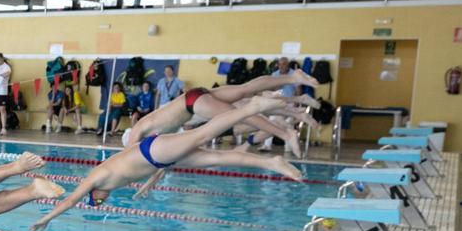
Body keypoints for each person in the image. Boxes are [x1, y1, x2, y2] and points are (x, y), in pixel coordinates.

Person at [32, 97, 302, 230]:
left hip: (155, 150)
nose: (101, 202)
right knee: (218, 159)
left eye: (97, 202)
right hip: (159, 157)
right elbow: (146, 168)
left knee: (204, 134)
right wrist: (150, 182)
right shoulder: (114, 183)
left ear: (93, 193)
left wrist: (46, 219)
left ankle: (253, 106)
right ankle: (273, 162)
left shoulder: (96, 178)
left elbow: (69, 201)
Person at [124, 69, 317, 157]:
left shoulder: (138, 131)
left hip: (193, 104)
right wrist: (153, 179)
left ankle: (286, 134)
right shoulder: (155, 135)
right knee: (245, 89)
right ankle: (293, 77)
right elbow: (158, 162)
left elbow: (127, 158)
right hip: (193, 97)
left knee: (244, 113)